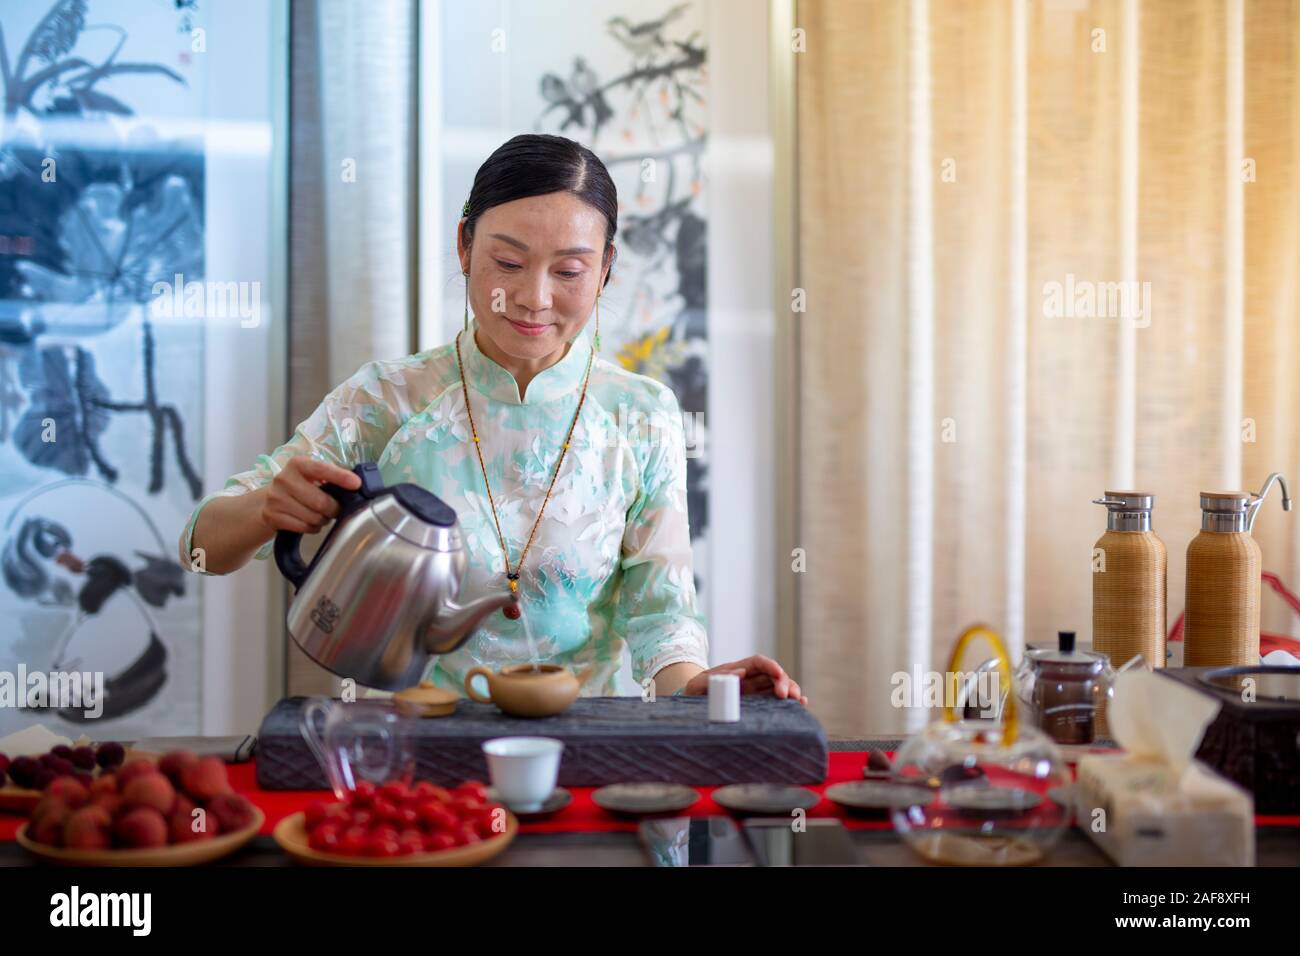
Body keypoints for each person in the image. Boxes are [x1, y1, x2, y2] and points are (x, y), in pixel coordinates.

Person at [178, 133, 805, 705]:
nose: (534, 297)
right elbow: (200, 549)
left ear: (606, 269)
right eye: (508, 264)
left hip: (585, 746)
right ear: (465, 246)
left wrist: (697, 686)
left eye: (568, 271)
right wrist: (267, 509)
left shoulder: (641, 415)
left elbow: (658, 613)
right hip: (407, 750)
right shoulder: (387, 398)